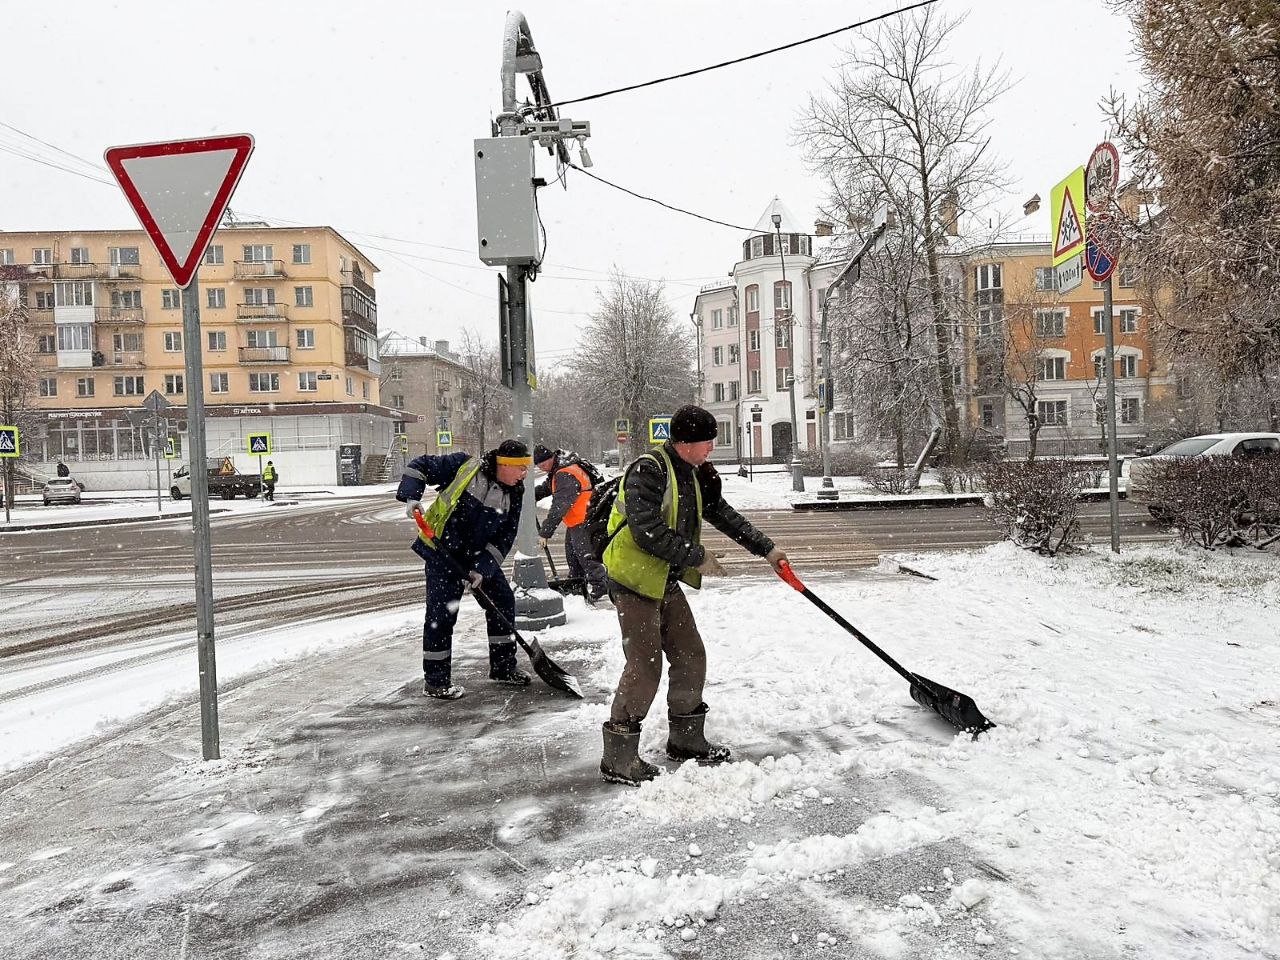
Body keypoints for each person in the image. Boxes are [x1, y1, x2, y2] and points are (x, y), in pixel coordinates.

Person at [599, 404, 789, 785]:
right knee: (645, 664)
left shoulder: (695, 472)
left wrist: (766, 548)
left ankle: (685, 739)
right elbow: (646, 530)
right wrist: (697, 556)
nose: (711, 450)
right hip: (633, 580)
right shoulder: (649, 470)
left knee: (689, 653)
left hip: (663, 578)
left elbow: (720, 512)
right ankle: (618, 757)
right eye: (706, 442)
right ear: (684, 442)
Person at [396, 438, 533, 700]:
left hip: (477, 558)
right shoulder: (464, 466)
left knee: (502, 601)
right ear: (504, 465)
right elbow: (420, 465)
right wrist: (411, 497)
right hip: (443, 555)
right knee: (441, 616)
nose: (524, 474)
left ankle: (503, 668)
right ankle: (436, 682)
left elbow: (505, 535)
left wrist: (483, 569)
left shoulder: (515, 491)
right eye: (521, 468)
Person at [533, 444, 609, 602]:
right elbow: (547, 488)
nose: (542, 468)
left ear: (551, 458)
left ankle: (600, 586)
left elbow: (559, 506)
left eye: (543, 464)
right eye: (539, 466)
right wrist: (529, 496)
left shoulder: (565, 473)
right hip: (578, 519)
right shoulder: (560, 469)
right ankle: (577, 586)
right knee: (573, 556)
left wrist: (545, 532)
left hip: (584, 519)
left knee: (586, 556)